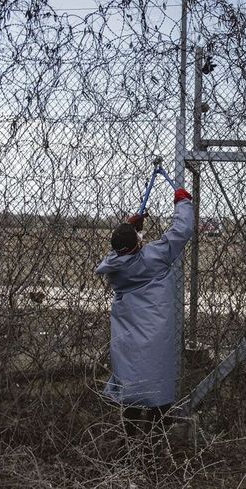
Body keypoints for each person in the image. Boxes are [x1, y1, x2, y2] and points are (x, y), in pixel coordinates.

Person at [96, 187, 194, 443]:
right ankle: (154, 444)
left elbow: (124, 252)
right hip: (156, 334)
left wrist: (132, 229)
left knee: (132, 387)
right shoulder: (155, 257)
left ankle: (129, 444)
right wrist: (182, 202)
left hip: (128, 336)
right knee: (158, 387)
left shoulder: (113, 267)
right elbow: (181, 230)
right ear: (138, 244)